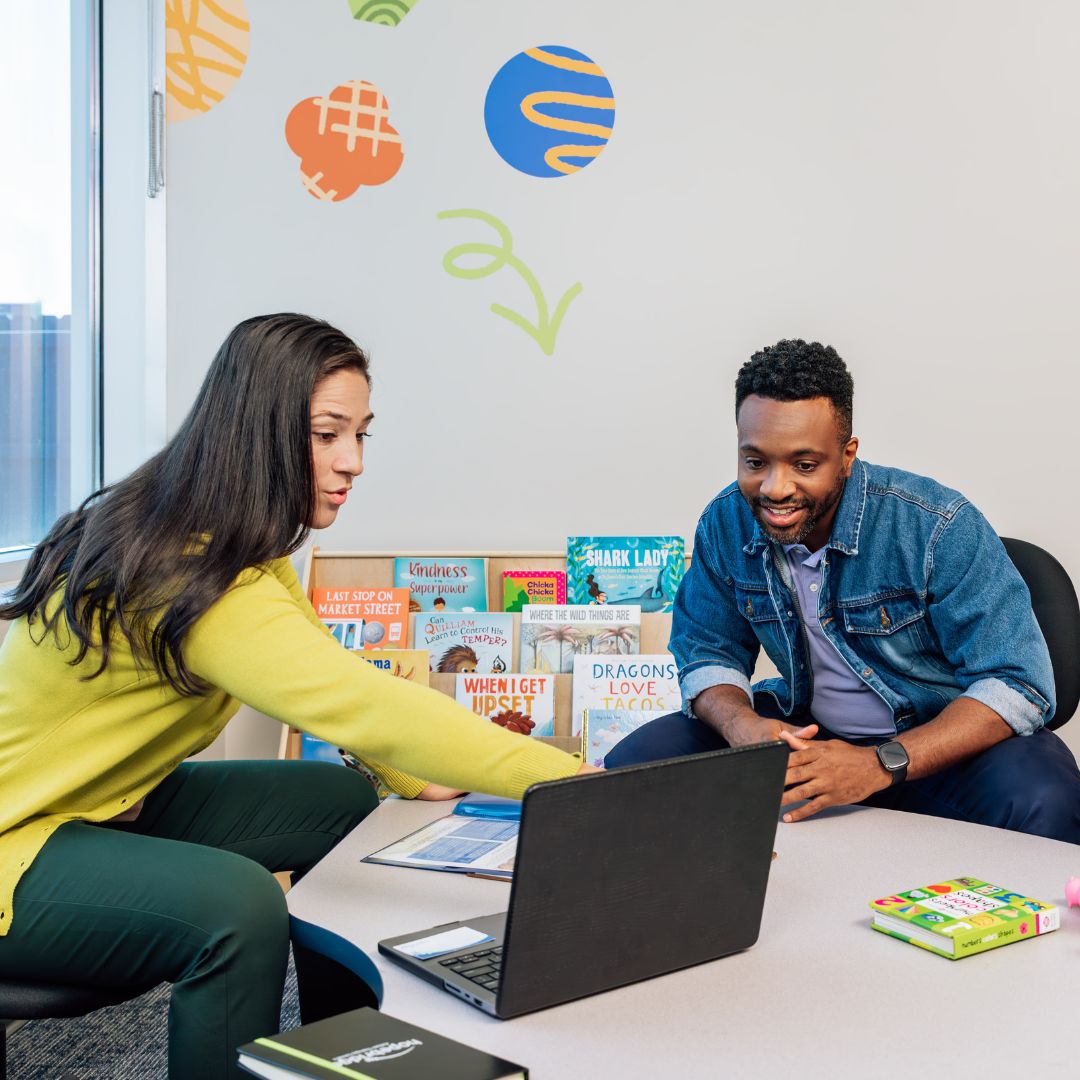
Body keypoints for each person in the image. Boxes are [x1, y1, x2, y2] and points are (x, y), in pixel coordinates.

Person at [0, 314, 596, 1079]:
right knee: (238, 908)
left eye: (361, 436)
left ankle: (342, 1056)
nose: (352, 462)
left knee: (334, 799)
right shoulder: (188, 571)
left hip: (102, 804)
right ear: (257, 430)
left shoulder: (230, 542)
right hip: (18, 838)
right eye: (326, 435)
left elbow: (321, 674)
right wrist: (573, 784)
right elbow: (360, 702)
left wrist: (413, 776)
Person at [606, 339, 1080, 842]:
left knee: (1046, 799)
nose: (774, 488)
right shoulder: (725, 521)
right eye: (755, 462)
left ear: (847, 455)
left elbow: (1017, 683)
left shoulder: (936, 525)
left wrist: (878, 763)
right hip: (809, 735)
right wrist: (739, 723)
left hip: (938, 746)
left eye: (804, 465)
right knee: (634, 767)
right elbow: (707, 648)